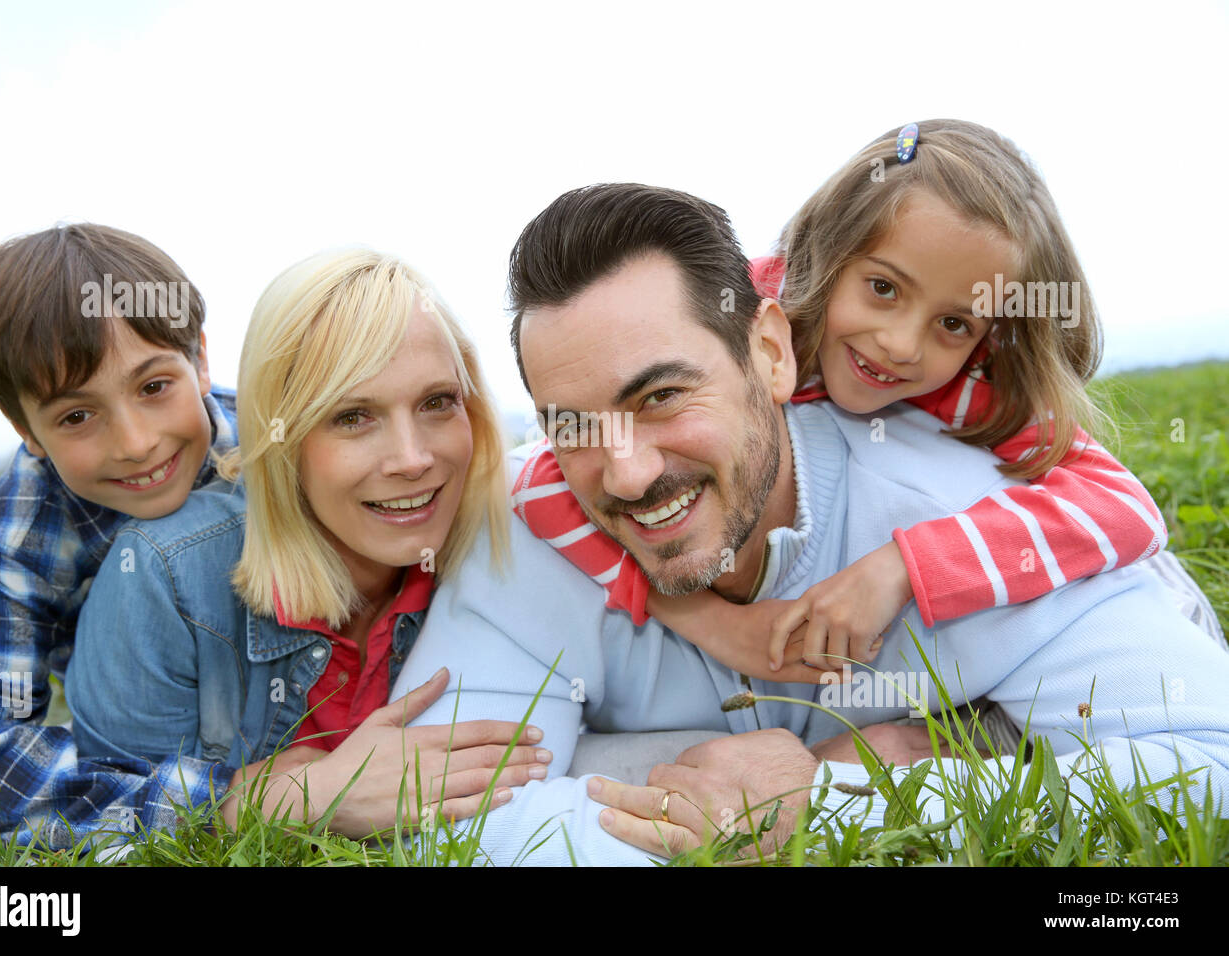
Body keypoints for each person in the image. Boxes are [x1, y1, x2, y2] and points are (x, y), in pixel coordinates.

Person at [387, 171, 1229, 865]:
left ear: (771, 352)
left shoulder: (981, 515)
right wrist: (692, 798)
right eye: (575, 424)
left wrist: (833, 801)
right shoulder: (524, 544)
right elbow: (443, 821)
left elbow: (1209, 760)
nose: (629, 472)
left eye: (665, 396)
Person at [509, 119, 1218, 682]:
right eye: (883, 287)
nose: (903, 345)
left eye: (954, 322)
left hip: (1149, 608)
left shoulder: (966, 382)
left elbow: (1123, 507)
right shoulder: (736, 318)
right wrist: (703, 619)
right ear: (829, 251)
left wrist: (904, 567)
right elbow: (547, 477)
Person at [64, 248, 552, 839]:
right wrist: (293, 801)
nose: (413, 459)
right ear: (283, 439)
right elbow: (96, 821)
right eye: (352, 416)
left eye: (437, 403)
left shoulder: (511, 539)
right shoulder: (164, 574)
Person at [0, 224, 239, 848]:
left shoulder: (283, 439)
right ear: (26, 429)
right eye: (76, 415)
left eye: (154, 387)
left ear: (200, 360)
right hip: (152, 735)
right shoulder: (31, 520)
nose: (136, 443)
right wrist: (226, 798)